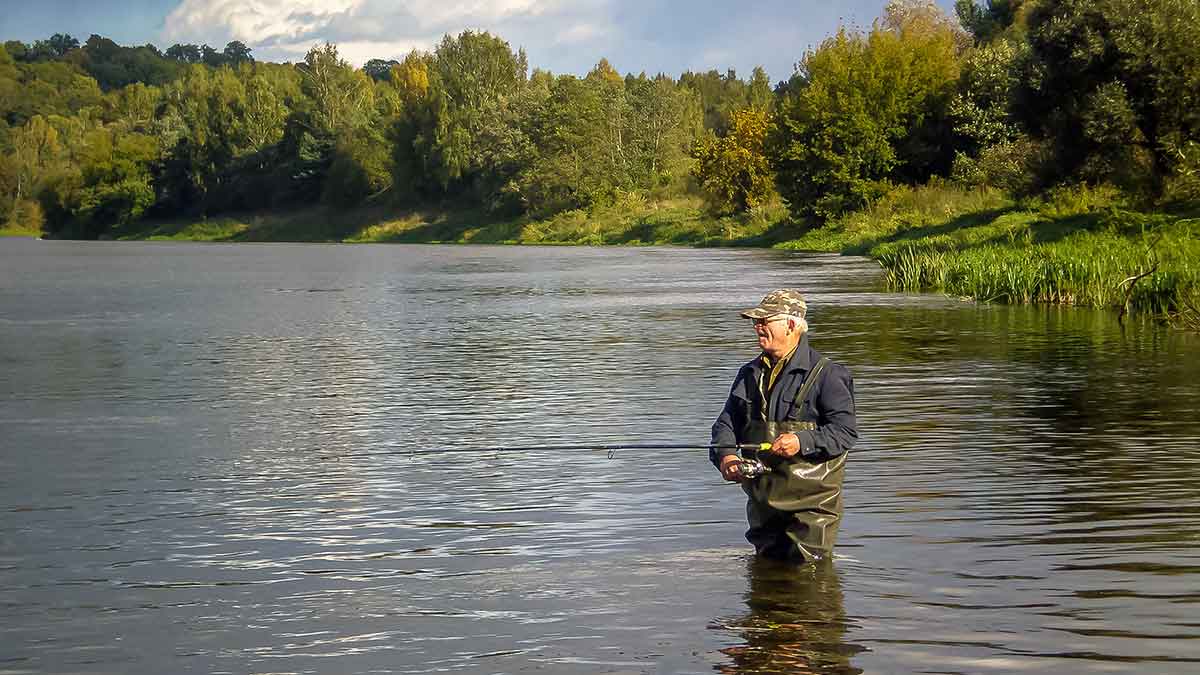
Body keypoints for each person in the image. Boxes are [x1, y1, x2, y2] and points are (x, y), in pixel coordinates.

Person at [711, 289, 858, 563]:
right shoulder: (748, 373)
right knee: (764, 581)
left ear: (791, 324)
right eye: (756, 322)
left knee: (810, 582)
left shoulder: (828, 374)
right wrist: (726, 455)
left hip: (813, 509)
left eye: (765, 321)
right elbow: (725, 423)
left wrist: (801, 442)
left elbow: (845, 432)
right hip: (763, 506)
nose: (757, 327)